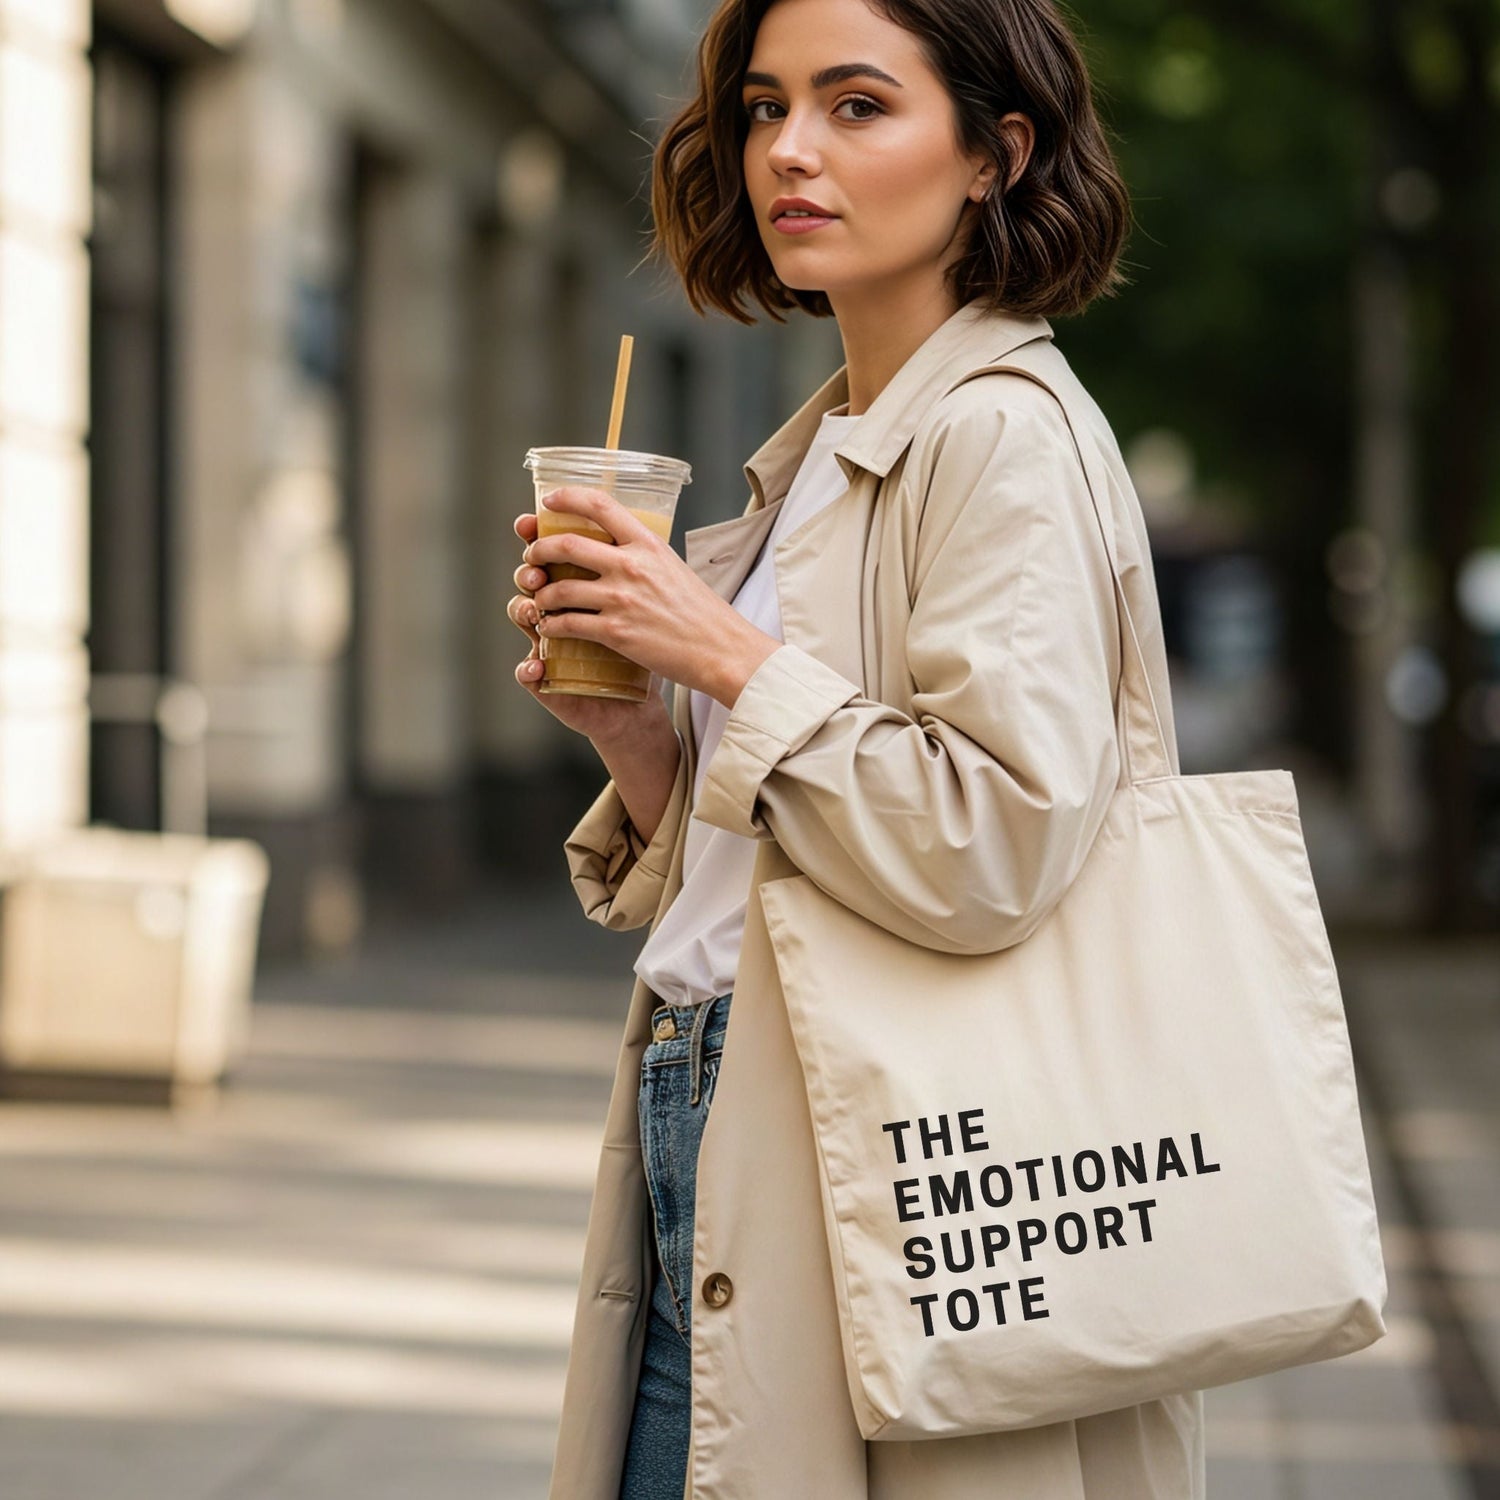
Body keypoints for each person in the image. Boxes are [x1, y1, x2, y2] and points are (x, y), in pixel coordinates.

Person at [508, 0, 1203, 1492]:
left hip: (888, 1179)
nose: (790, 152)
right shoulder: (827, 449)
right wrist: (644, 738)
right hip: (730, 1125)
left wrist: (722, 652)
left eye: (858, 105)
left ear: (994, 155)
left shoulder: (998, 434)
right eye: (764, 108)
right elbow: (790, 826)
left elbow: (992, 841)